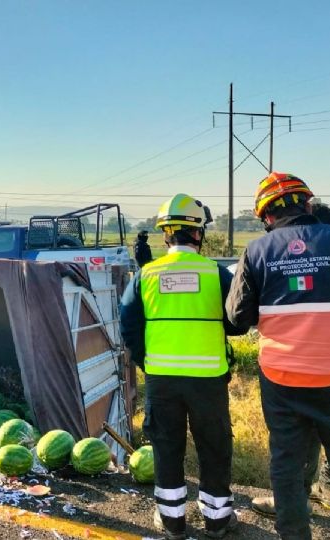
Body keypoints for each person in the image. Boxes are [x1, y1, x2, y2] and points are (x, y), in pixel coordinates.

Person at [226, 173, 330, 540]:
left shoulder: (256, 252)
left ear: (266, 217)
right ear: (309, 206)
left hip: (282, 381)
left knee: (287, 467)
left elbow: (236, 317)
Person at [119, 194, 245, 540]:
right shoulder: (217, 274)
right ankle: (218, 521)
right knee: (214, 447)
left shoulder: (146, 275)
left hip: (162, 380)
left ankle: (172, 521)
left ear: (166, 236)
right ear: (199, 234)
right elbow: (237, 322)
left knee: (166, 446)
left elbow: (129, 326)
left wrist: (147, 361)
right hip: (208, 380)